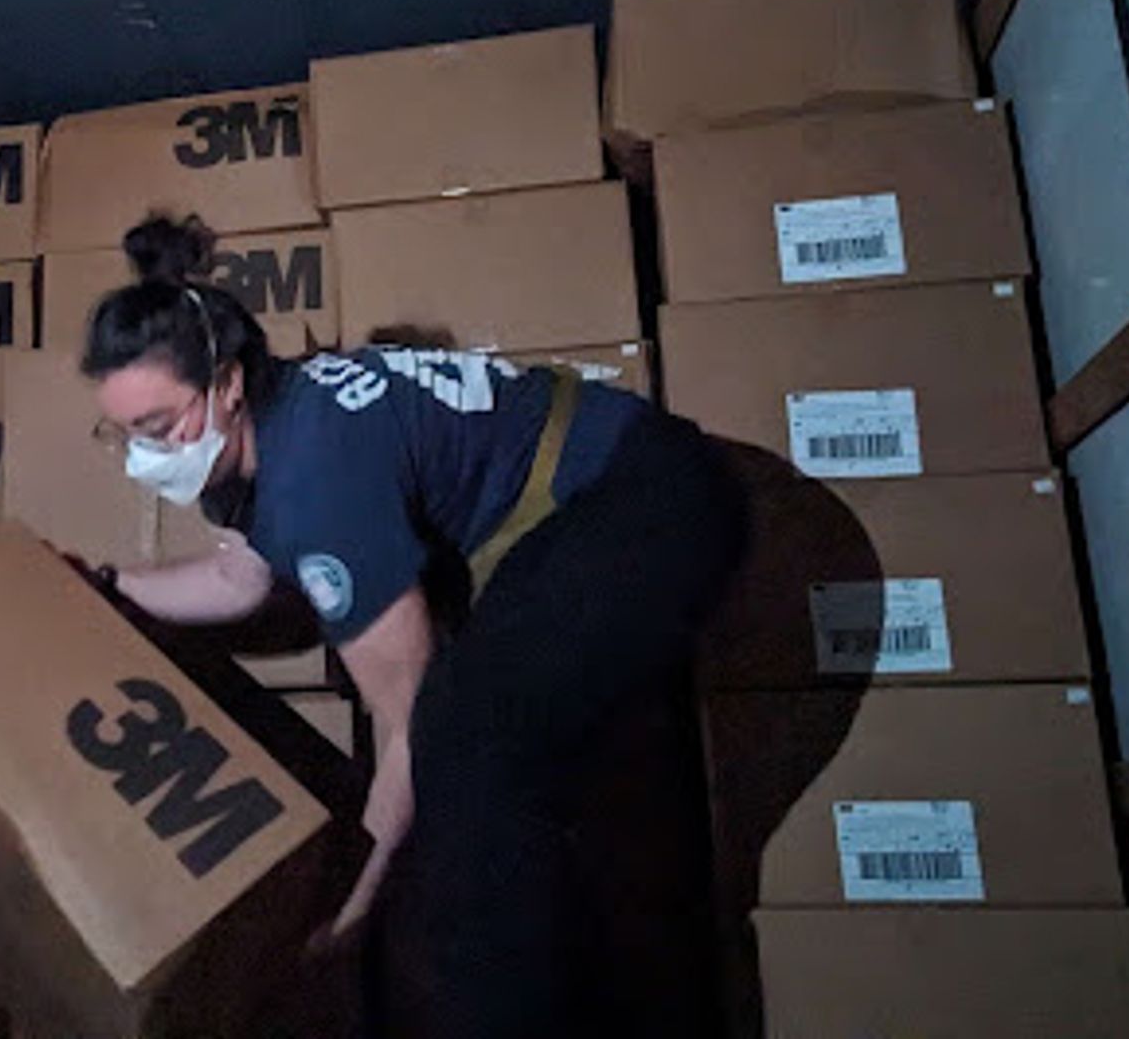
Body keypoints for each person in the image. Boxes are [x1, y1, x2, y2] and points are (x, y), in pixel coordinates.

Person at [81, 214, 745, 1038]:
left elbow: (409, 728)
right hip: (580, 510)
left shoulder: (317, 482)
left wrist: (350, 910)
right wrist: (102, 588)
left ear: (227, 386)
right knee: (496, 761)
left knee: (470, 743)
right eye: (124, 433)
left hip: (646, 498)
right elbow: (236, 575)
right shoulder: (268, 428)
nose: (145, 457)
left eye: (158, 429)